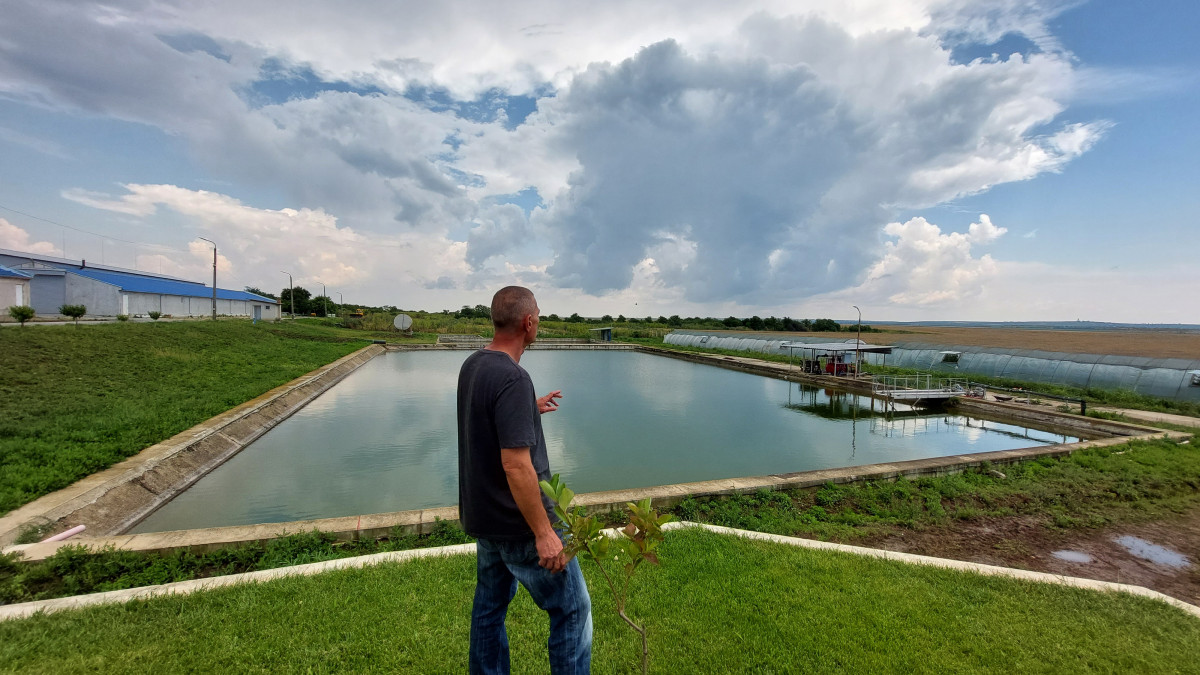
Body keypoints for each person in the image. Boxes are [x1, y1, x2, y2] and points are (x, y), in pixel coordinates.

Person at [457, 286, 592, 674]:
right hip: (519, 527)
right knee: (571, 609)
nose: (540, 323)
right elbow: (516, 466)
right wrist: (544, 532)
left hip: (485, 520)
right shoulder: (513, 377)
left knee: (489, 609)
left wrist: (525, 411)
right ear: (528, 322)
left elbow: (484, 418)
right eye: (540, 317)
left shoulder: (475, 364)